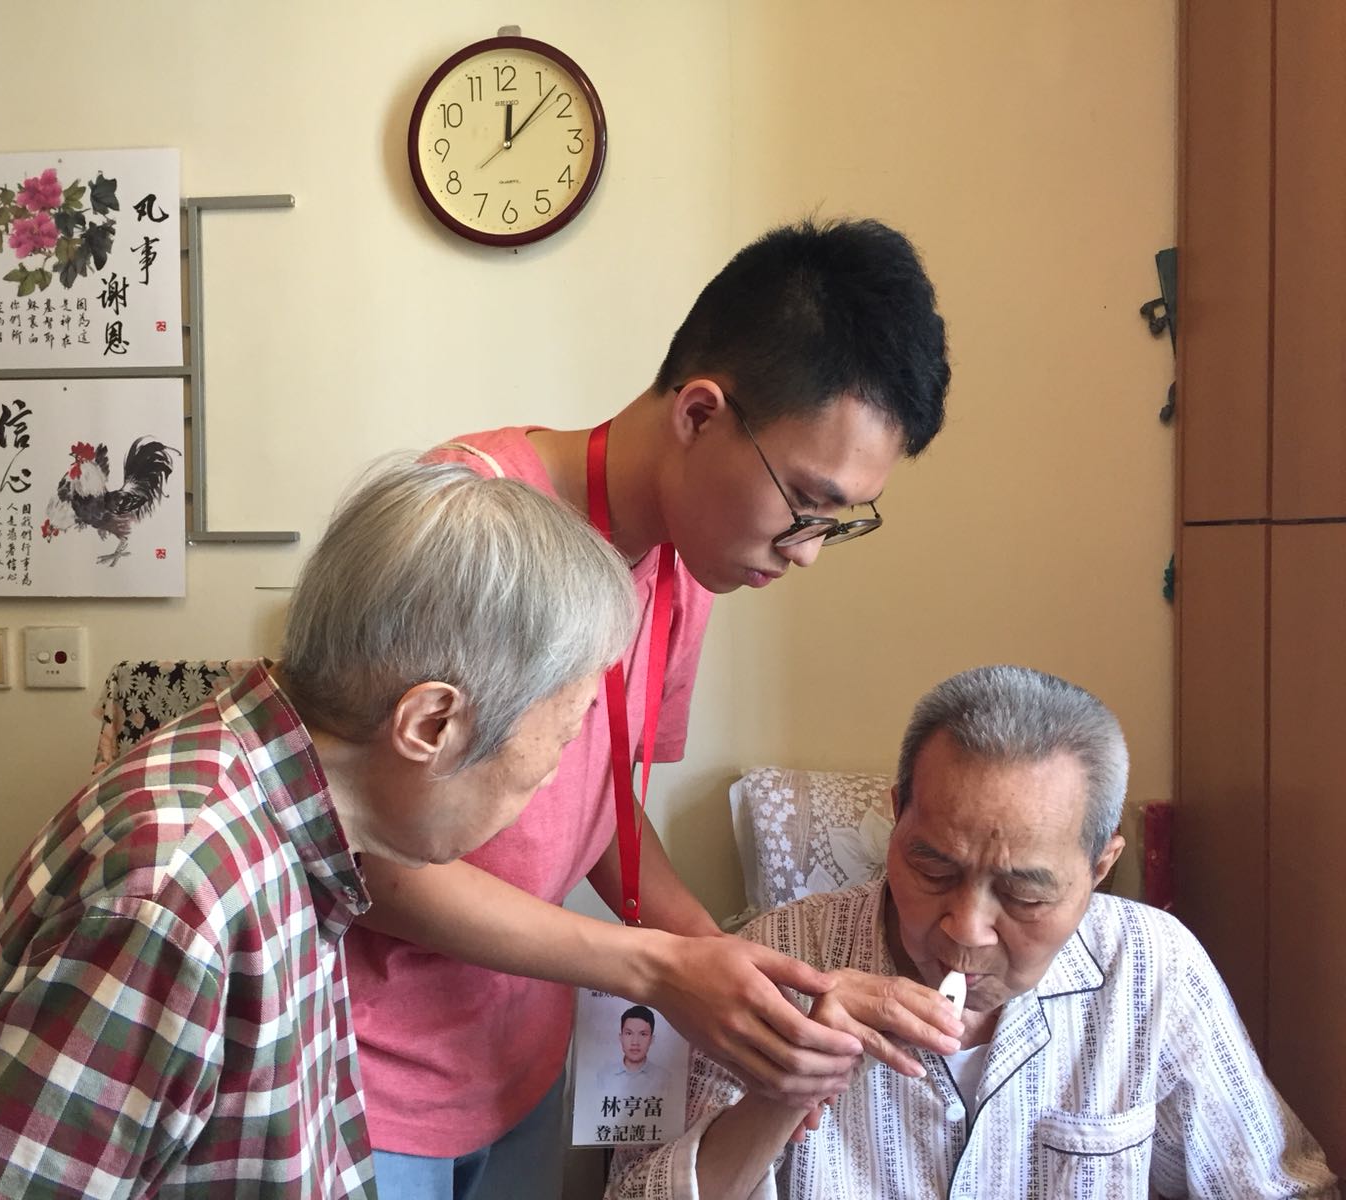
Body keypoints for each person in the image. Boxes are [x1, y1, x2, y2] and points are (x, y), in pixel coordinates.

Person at [349, 218, 961, 1199]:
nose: (805, 550)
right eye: (804, 504)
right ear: (699, 414)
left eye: (838, 523)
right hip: (367, 1082)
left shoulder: (685, 567)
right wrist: (655, 971)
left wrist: (742, 976)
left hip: (518, 1071)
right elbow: (363, 854)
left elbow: (591, 802)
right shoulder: (466, 524)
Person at [0, 461, 640, 1199]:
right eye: (565, 734)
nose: (553, 774)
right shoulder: (179, 891)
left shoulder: (294, 817)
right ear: (431, 723)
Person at [609, 665, 1339, 1199]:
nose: (965, 928)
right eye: (932, 869)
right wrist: (785, 1089)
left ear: (1101, 865)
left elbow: (1282, 1186)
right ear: (897, 817)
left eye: (1023, 895)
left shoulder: (1152, 969)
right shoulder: (774, 960)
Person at [595, 1005, 675, 1098]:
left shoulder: (664, 1079)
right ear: (621, 1037)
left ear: (651, 1039)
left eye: (643, 1034)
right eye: (629, 1033)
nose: (635, 1042)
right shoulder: (604, 1076)